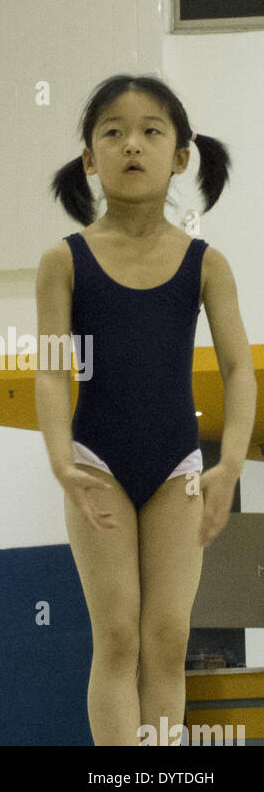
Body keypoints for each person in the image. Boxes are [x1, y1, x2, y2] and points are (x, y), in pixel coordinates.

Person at [36, 75, 256, 746]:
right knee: (119, 635)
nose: (130, 143)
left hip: (176, 466)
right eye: (111, 131)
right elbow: (49, 368)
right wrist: (58, 461)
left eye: (150, 130)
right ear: (88, 158)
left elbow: (238, 367)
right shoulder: (63, 261)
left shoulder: (205, 263)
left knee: (166, 638)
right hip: (94, 461)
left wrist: (229, 463)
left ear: (181, 155)